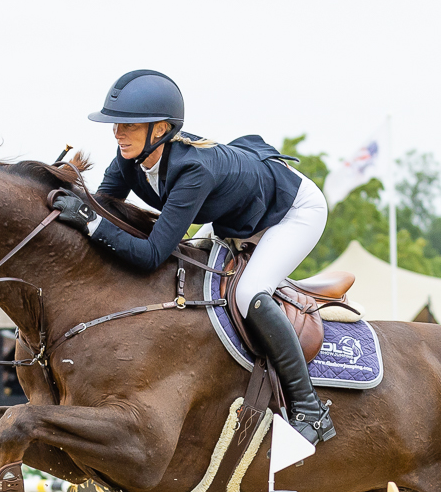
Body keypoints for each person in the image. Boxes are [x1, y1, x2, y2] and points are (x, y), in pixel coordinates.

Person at [51, 70, 334, 445]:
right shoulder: (129, 159)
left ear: (161, 129)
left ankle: (310, 408)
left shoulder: (192, 170)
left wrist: (90, 223)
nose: (118, 132)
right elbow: (102, 209)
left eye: (129, 125)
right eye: (117, 123)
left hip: (292, 210)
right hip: (236, 216)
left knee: (249, 293)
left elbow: (151, 253)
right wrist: (56, 188)